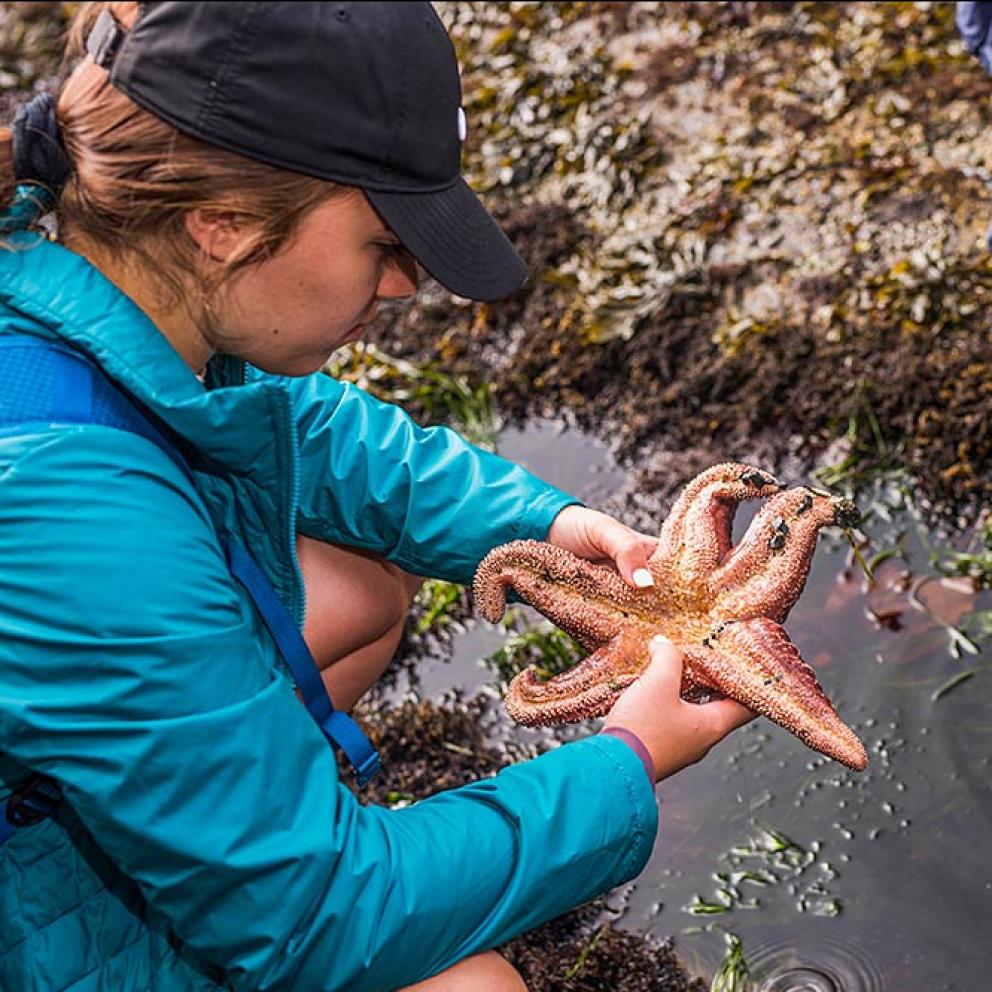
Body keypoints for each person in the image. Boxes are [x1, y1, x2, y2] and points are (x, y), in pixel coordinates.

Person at [0, 4, 753, 990]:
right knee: (473, 984)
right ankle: (249, 831)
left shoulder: (83, 274)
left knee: (360, 595)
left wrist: (547, 531)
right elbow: (320, 914)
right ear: (222, 225)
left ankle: (240, 806)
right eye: (385, 241)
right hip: (42, 935)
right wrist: (627, 760)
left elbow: (293, 424)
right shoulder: (76, 518)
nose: (403, 284)